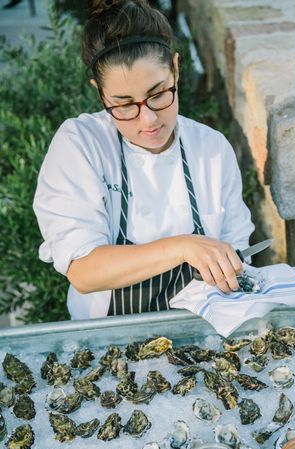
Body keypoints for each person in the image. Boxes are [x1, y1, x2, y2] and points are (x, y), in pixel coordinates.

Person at [33, 0, 253, 319]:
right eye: (123, 105)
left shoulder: (211, 148)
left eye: (158, 94)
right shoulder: (81, 144)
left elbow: (236, 253)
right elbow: (83, 272)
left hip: (204, 327)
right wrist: (184, 246)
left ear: (176, 69)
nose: (148, 119)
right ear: (100, 93)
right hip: (109, 337)